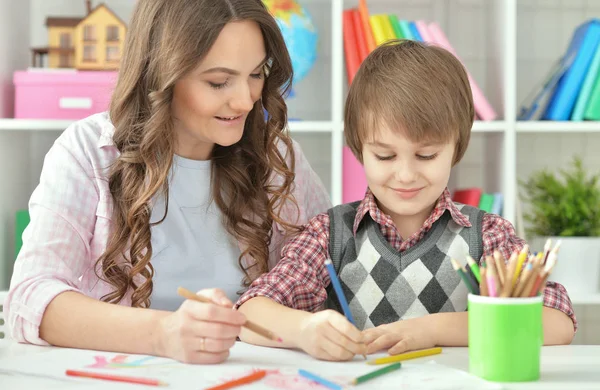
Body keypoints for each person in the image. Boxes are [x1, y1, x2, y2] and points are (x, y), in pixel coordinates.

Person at [4, 0, 331, 365]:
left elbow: (330, 264)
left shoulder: (278, 160)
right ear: (161, 75)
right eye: (218, 81)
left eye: (256, 74)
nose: (245, 100)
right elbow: (30, 297)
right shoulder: (88, 152)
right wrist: (164, 334)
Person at [235, 40, 577, 361]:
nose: (406, 175)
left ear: (455, 148)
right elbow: (250, 311)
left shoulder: (487, 236)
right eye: (385, 156)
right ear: (359, 149)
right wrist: (304, 329)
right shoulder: (329, 234)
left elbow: (557, 321)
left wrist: (431, 329)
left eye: (426, 155)